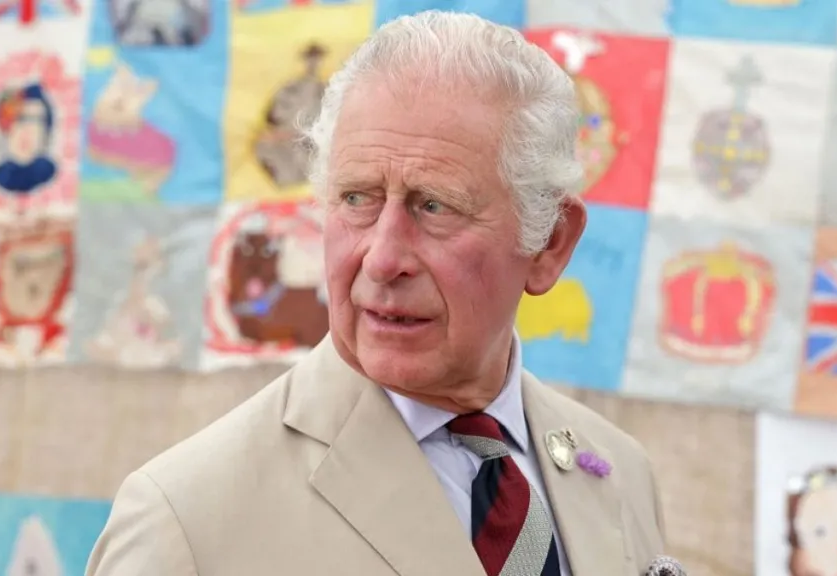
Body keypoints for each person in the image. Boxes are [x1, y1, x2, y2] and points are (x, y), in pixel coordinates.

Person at [86, 10, 666, 576]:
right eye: (357, 198)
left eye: (434, 206)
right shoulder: (184, 522)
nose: (382, 259)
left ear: (550, 244)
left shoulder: (621, 472)